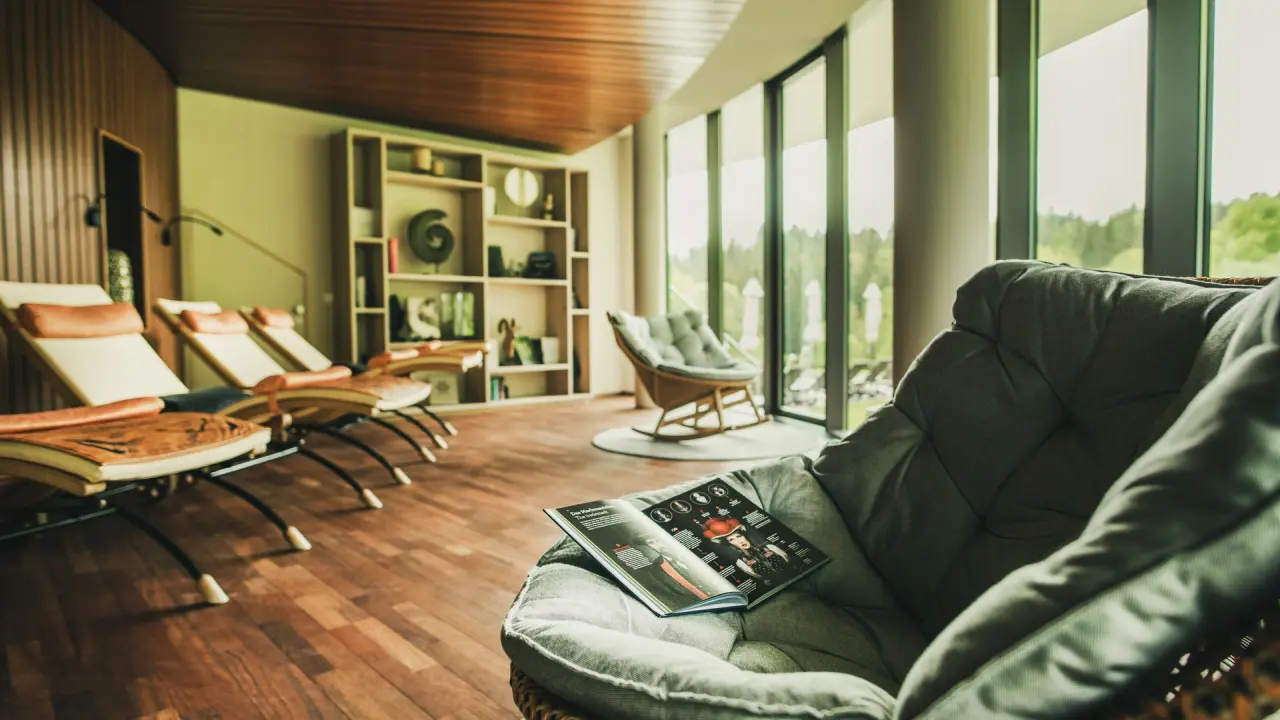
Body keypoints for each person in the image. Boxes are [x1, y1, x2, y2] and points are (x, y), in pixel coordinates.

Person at [702, 518, 791, 582]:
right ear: (729, 544)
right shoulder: (741, 562)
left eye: (738, 536)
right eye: (731, 539)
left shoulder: (770, 548)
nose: (739, 541)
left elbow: (788, 559)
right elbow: (758, 577)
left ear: (744, 536)